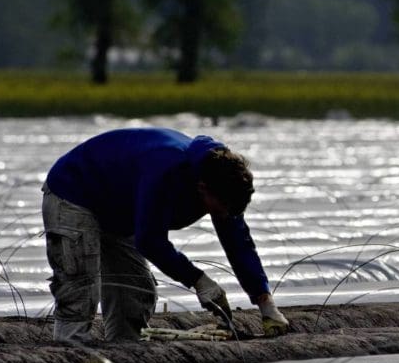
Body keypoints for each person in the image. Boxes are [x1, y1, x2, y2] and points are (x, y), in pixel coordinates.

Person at [41, 127, 289, 344]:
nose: (219, 216)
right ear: (203, 189)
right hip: (74, 194)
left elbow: (238, 242)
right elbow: (150, 240)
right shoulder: (166, 168)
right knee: (80, 291)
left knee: (135, 294)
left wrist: (265, 303)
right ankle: (71, 354)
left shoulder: (225, 180)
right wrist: (199, 280)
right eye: (216, 210)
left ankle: (122, 356)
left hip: (117, 212)